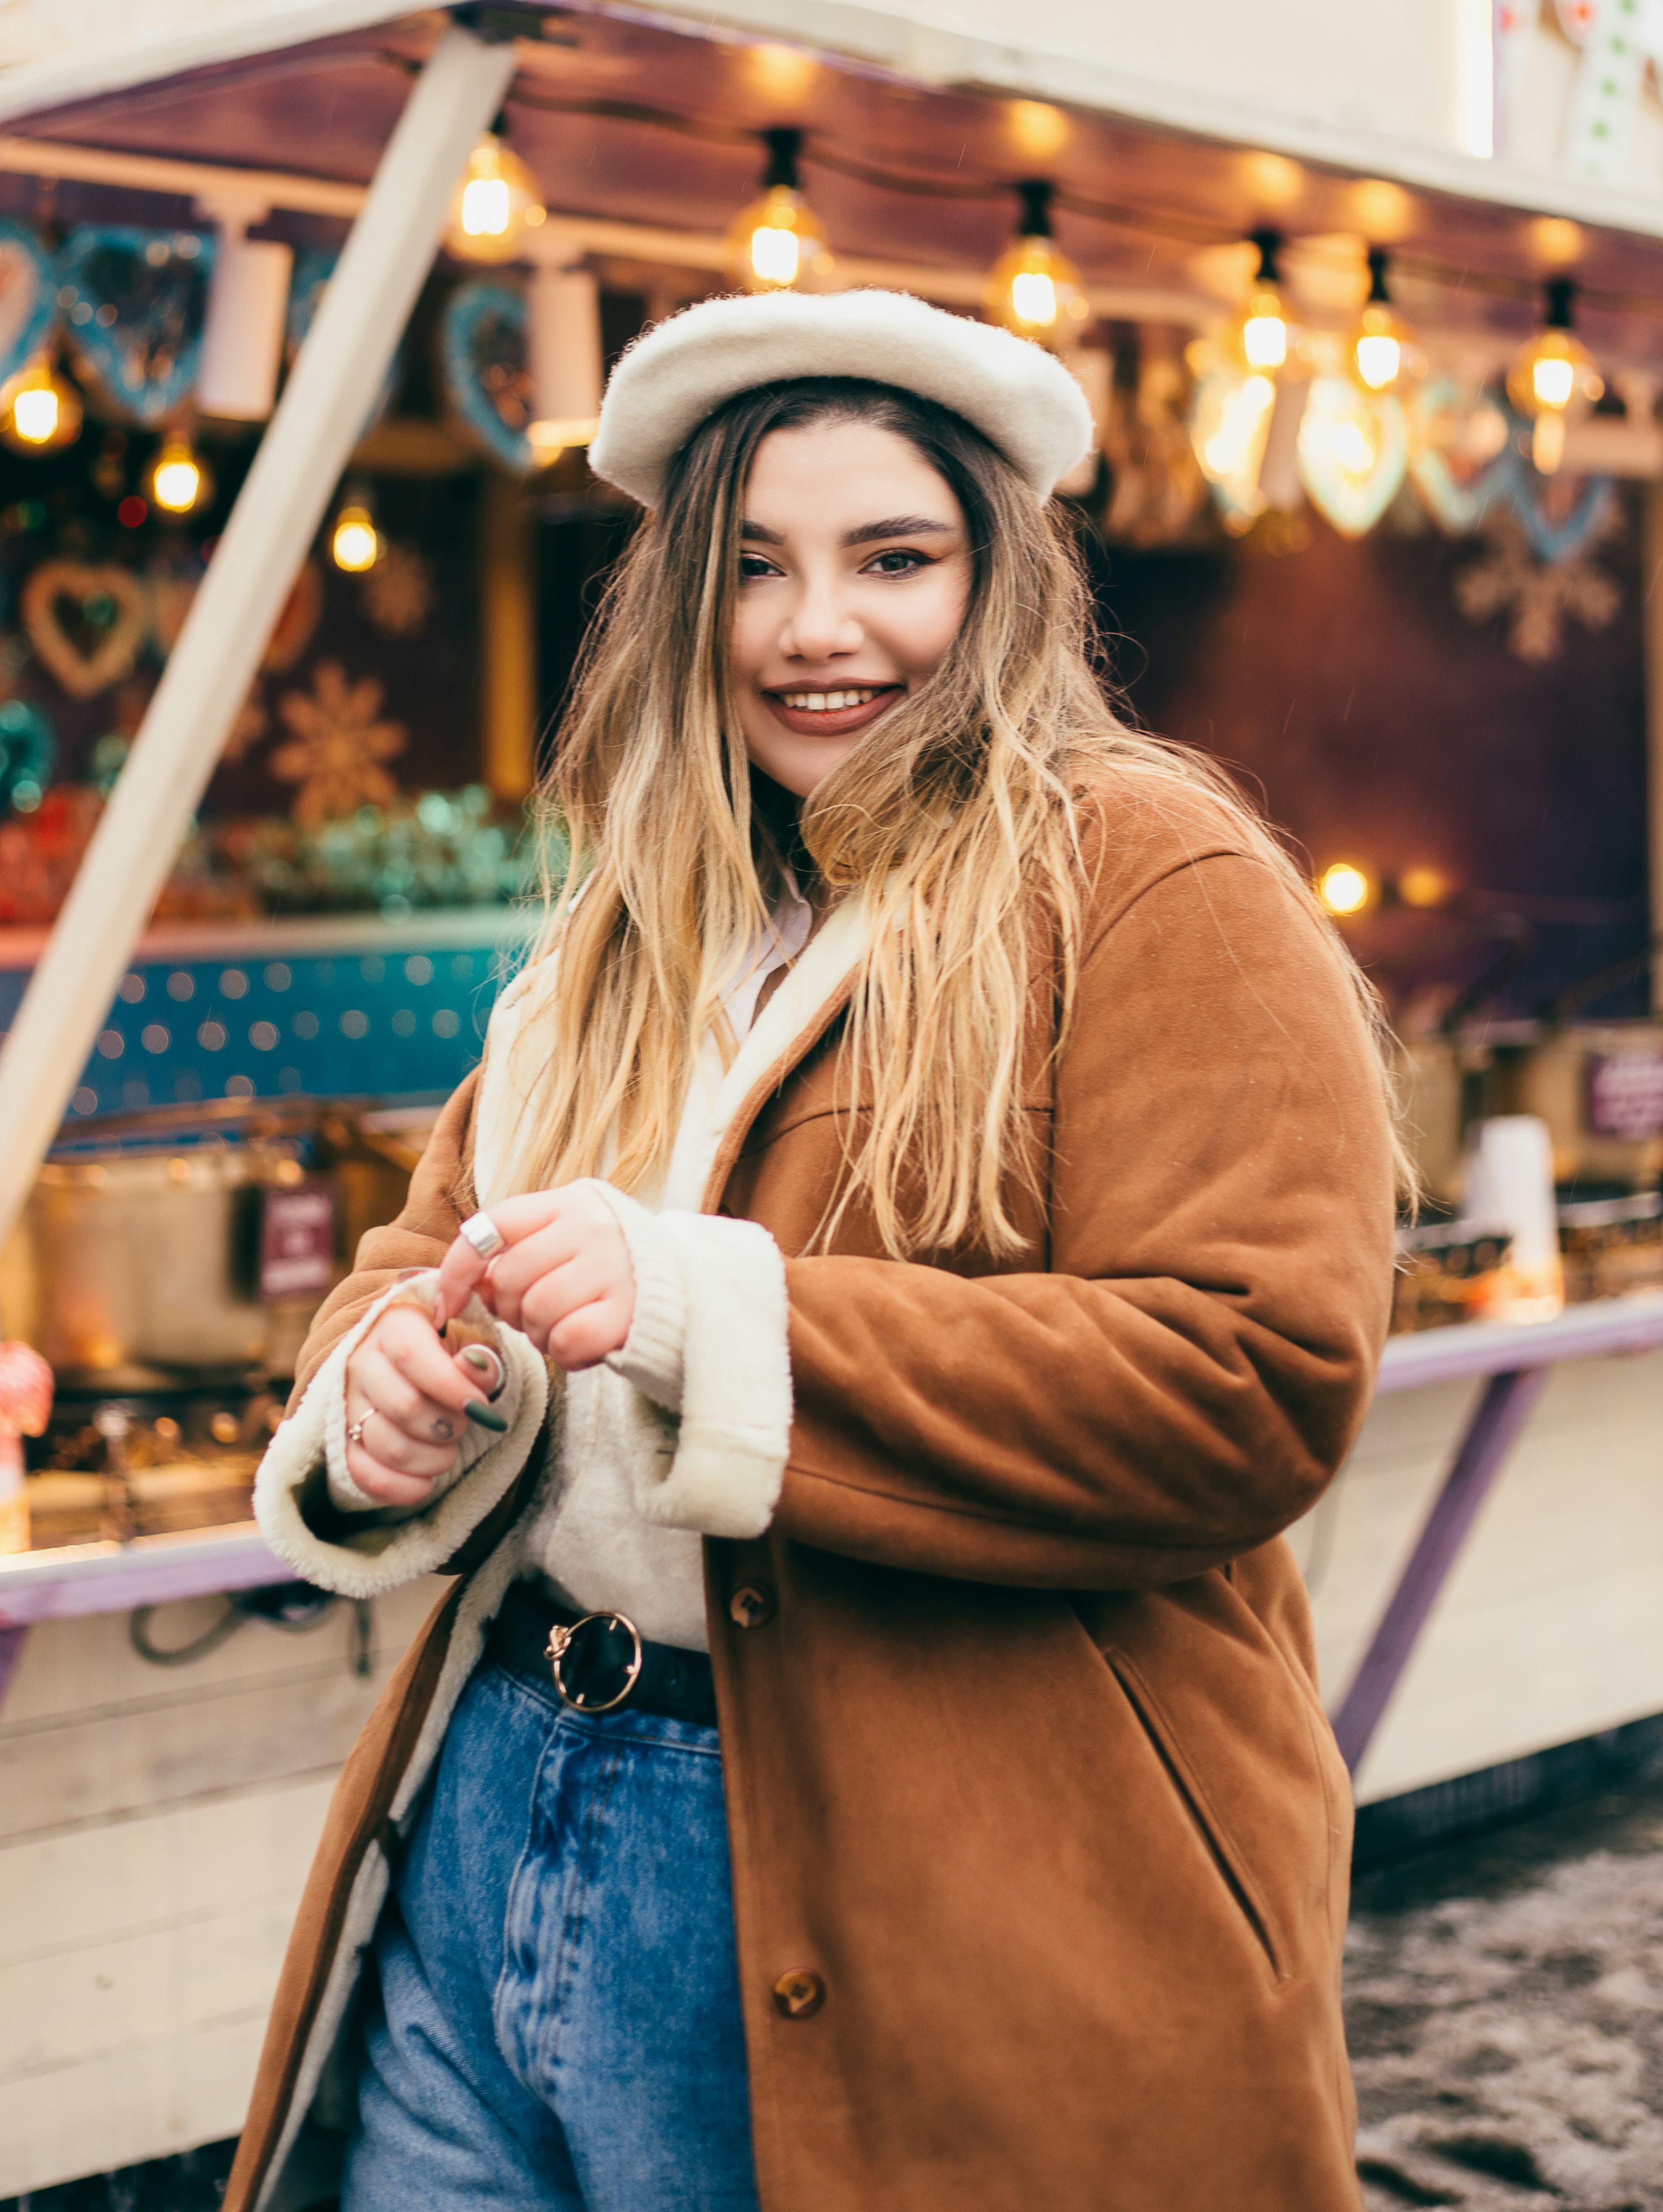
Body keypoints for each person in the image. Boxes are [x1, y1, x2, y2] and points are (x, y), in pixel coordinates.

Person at [228, 286, 1397, 2212]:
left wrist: (699, 1306)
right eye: (756, 567)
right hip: (497, 1794)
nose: (816, 626)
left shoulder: (1147, 876)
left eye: (893, 558)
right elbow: (423, 1249)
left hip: (904, 1865)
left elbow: (1247, 1381)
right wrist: (387, 1398)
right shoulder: (628, 924)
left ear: (1001, 579)